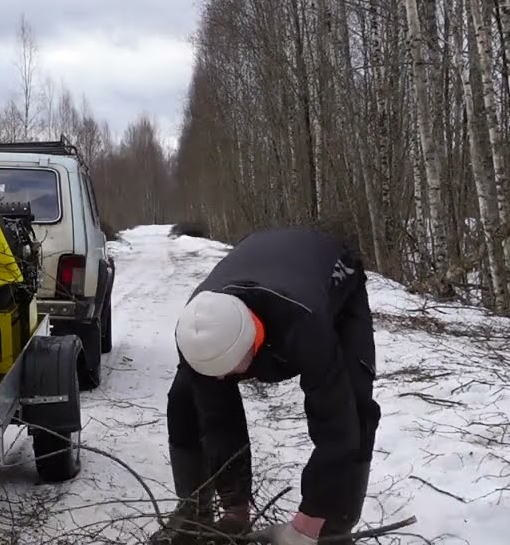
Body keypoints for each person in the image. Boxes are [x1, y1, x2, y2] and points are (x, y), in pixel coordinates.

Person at [148, 226, 380, 545]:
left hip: (330, 273)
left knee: (354, 406)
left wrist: (308, 521)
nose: (220, 380)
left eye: (227, 371)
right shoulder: (196, 328)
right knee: (185, 399)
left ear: (252, 346)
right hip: (261, 262)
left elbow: (335, 426)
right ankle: (194, 513)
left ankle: (332, 528)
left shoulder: (303, 322)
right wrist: (235, 510)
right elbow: (218, 420)